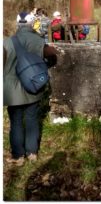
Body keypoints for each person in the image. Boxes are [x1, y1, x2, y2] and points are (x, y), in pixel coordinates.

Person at [3, 12, 58, 166]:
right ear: (31, 24)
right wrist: (44, 67)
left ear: (17, 25)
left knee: (16, 122)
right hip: (34, 86)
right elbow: (53, 55)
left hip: (12, 91)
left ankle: (18, 156)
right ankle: (32, 152)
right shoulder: (38, 40)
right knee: (32, 118)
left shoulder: (6, 42)